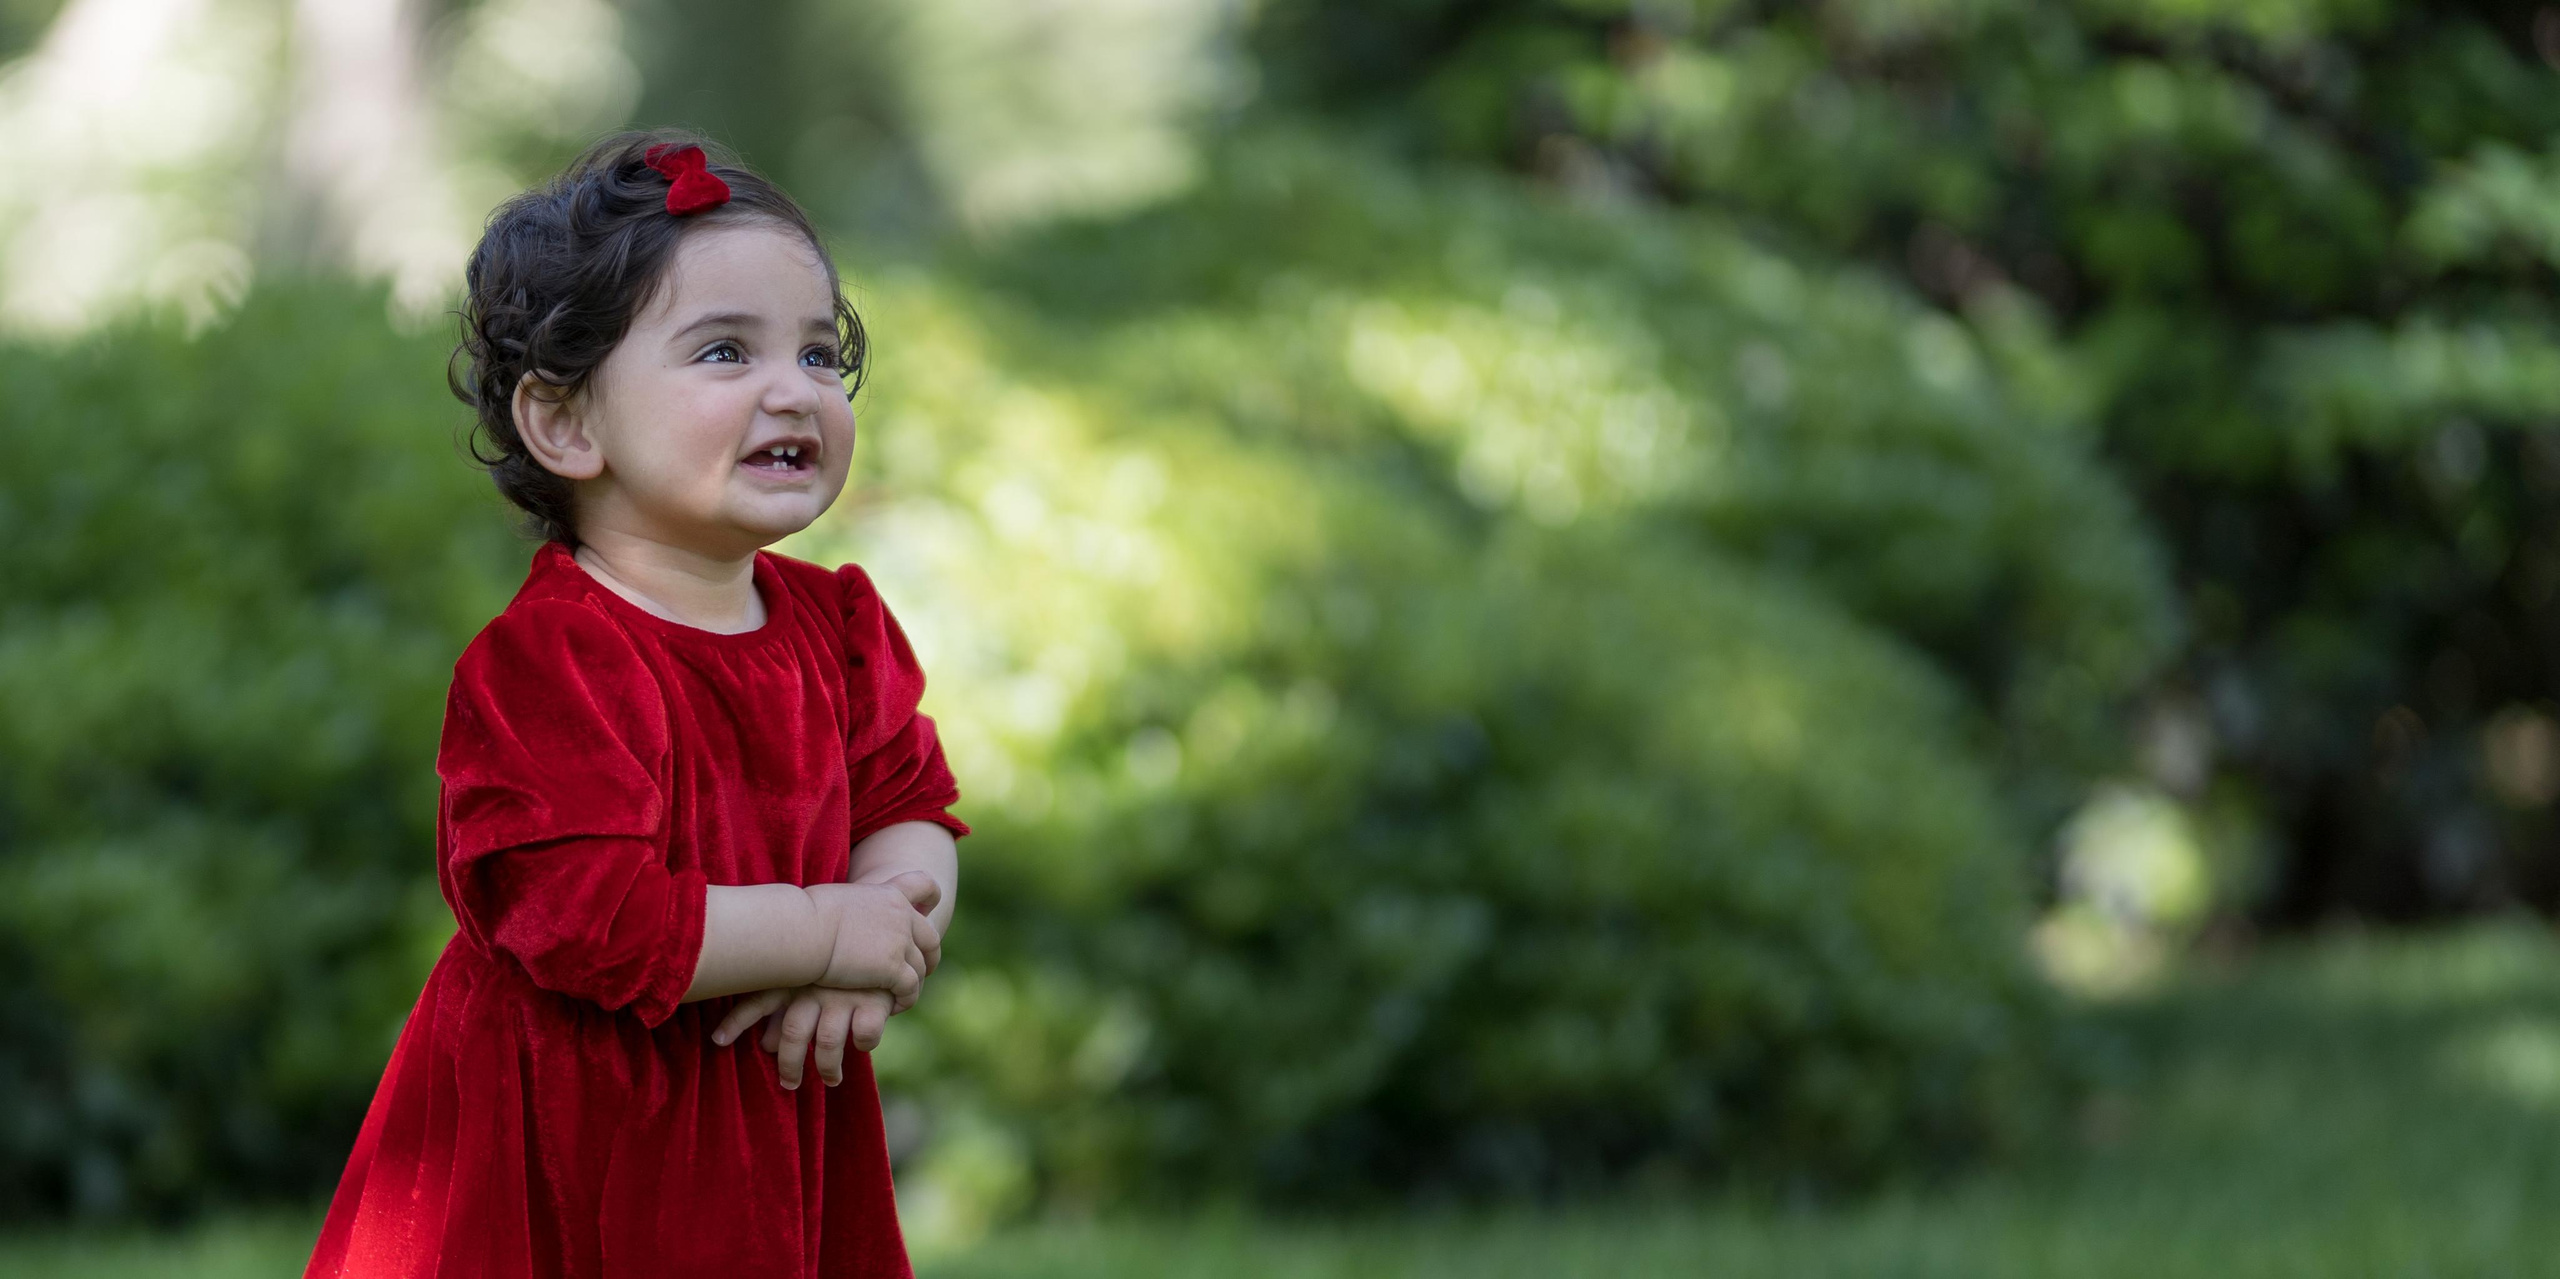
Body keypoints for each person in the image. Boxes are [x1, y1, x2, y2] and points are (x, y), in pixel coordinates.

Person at [302, 128, 967, 1278]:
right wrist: (820, 931)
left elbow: (908, 801)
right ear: (565, 423)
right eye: (723, 353)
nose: (791, 390)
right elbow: (585, 914)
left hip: (769, 1102)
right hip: (575, 1135)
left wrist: (884, 935)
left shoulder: (837, 627)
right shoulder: (552, 661)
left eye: (819, 355)